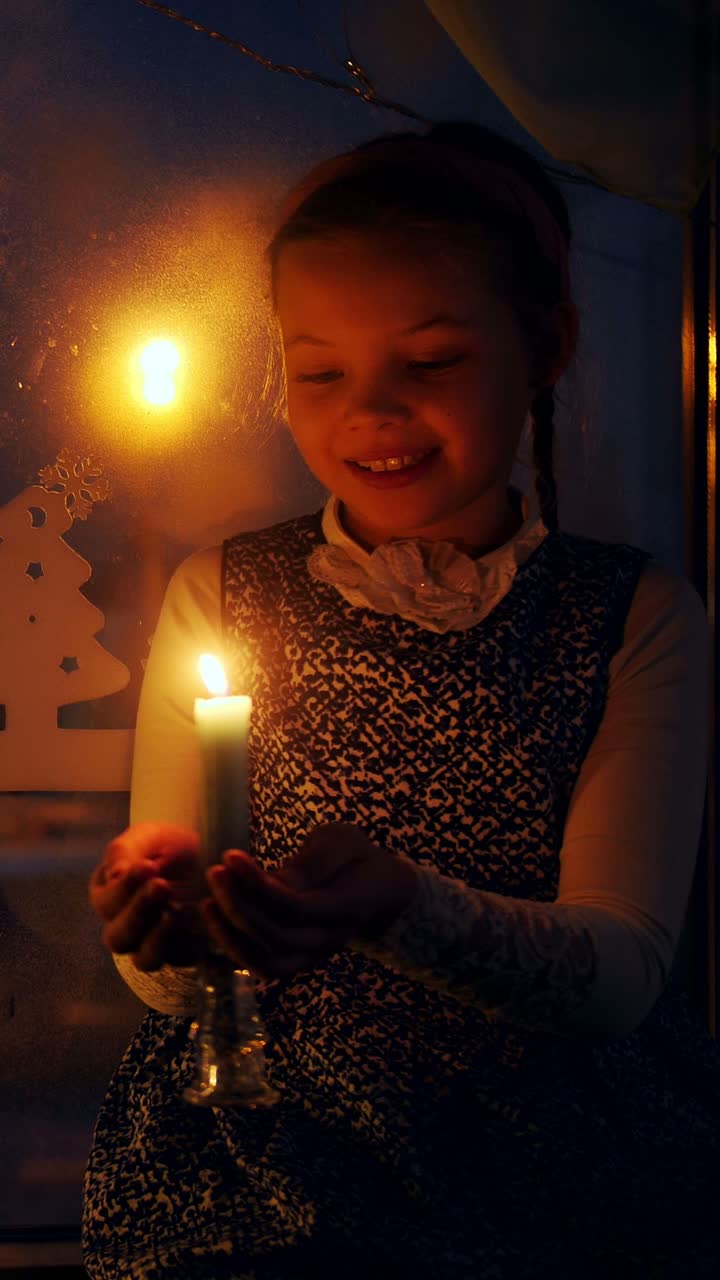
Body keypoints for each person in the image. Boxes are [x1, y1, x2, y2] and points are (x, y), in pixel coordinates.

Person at [83, 121, 720, 1279]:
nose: (369, 412)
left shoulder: (634, 617)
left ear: (547, 347)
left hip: (572, 1190)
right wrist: (166, 928)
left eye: (428, 363)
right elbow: (178, 981)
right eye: (320, 371)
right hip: (266, 1186)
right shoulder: (222, 593)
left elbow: (624, 972)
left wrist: (400, 908)